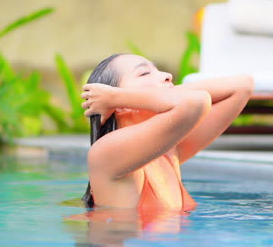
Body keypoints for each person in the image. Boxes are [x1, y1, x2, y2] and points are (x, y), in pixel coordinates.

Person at [80, 53, 253, 210]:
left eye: (158, 70)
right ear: (119, 105)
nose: (167, 75)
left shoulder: (169, 151)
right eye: (144, 73)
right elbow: (196, 102)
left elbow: (242, 86)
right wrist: (117, 98)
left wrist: (116, 97)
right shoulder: (106, 153)